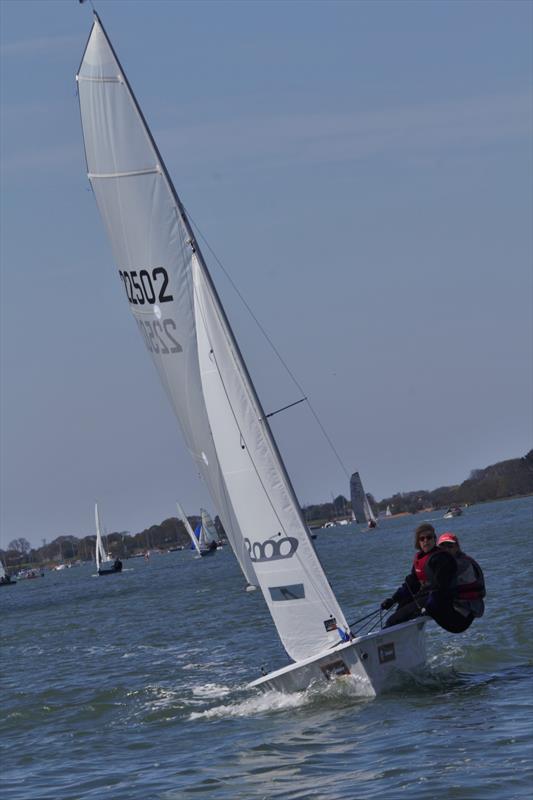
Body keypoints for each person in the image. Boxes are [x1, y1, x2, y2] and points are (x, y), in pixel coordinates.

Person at [381, 523, 438, 627]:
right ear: (418, 542)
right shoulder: (420, 559)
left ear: (434, 539)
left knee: (392, 621)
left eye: (429, 537)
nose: (426, 541)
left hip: (434, 598)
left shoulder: (440, 558)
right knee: (399, 608)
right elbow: (411, 583)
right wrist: (393, 599)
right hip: (423, 596)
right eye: (422, 538)